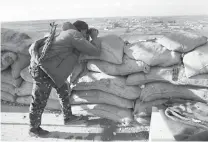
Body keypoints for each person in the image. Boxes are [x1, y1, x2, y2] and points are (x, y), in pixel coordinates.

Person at [28, 20, 101, 137]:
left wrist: (87, 38)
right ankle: (33, 129)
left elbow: (81, 46)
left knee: (64, 89)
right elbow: (95, 51)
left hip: (52, 71)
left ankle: (68, 117)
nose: (85, 35)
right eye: (85, 33)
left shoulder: (67, 34)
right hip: (44, 71)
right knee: (39, 100)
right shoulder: (73, 34)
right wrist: (94, 37)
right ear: (82, 31)